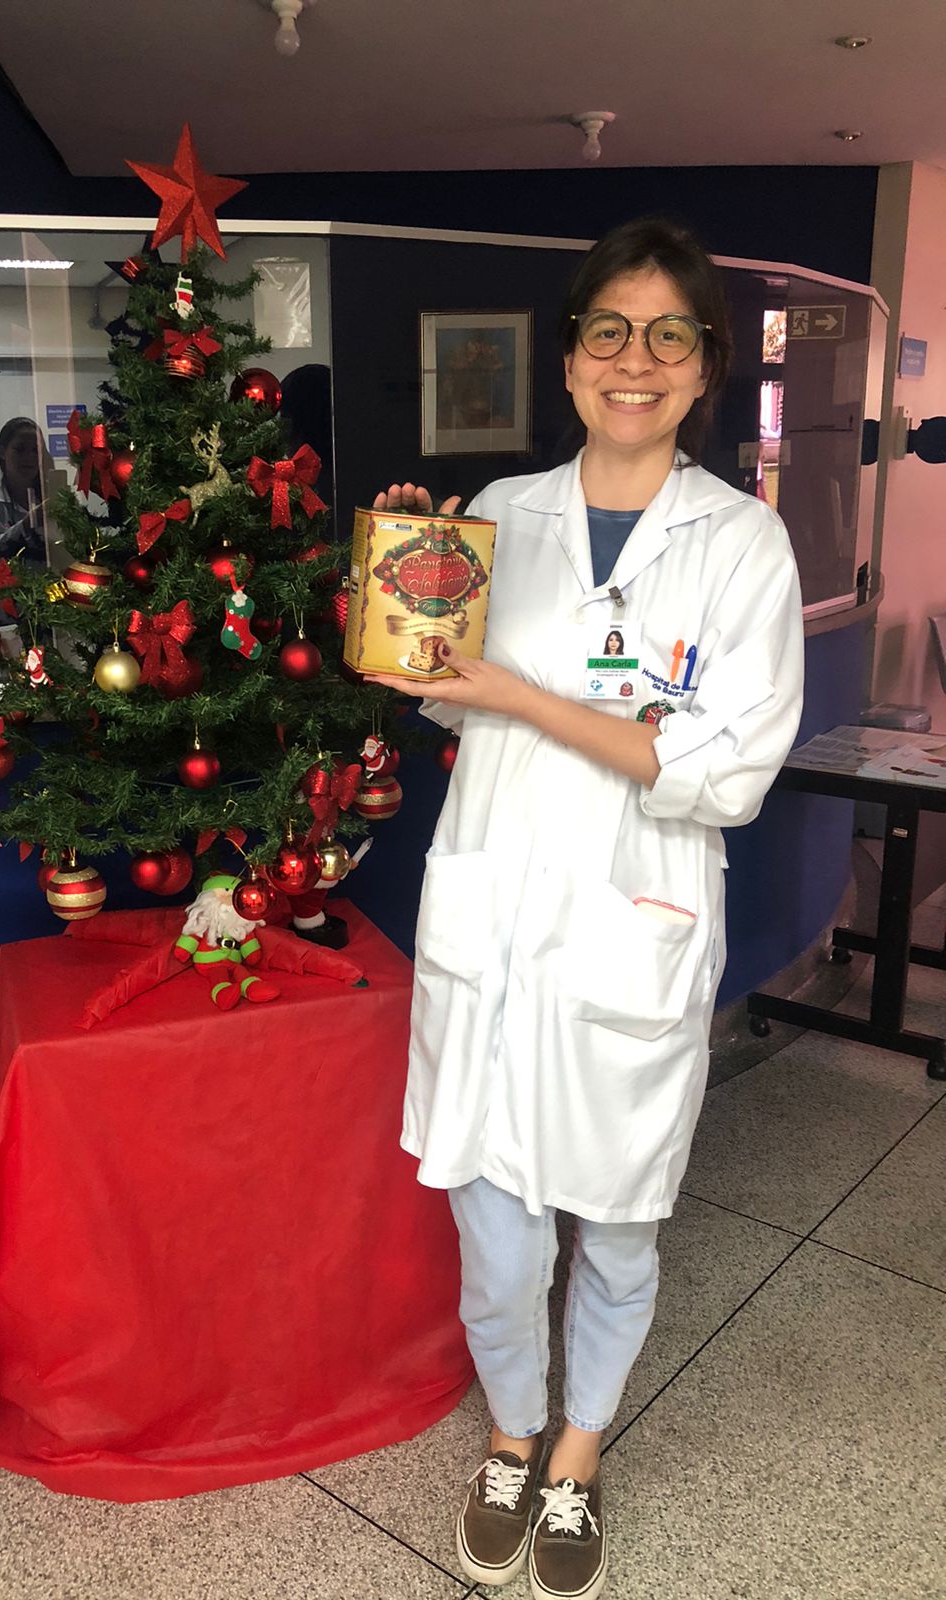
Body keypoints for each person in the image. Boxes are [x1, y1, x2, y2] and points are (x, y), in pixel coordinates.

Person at [367, 217, 804, 1600]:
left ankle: (576, 1454)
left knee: (616, 1227)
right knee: (495, 1234)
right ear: (568, 361)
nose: (636, 360)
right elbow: (449, 696)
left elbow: (725, 770)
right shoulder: (503, 512)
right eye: (610, 330)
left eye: (671, 335)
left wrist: (521, 695)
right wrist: (406, 614)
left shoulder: (743, 546)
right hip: (495, 916)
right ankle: (511, 1435)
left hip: (634, 921)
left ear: (707, 368)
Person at [0, 417, 50, 568]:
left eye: (36, 450)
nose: (29, 457)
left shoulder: (53, 501)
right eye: (20, 449)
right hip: (8, 583)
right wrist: (25, 526)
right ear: (2, 452)